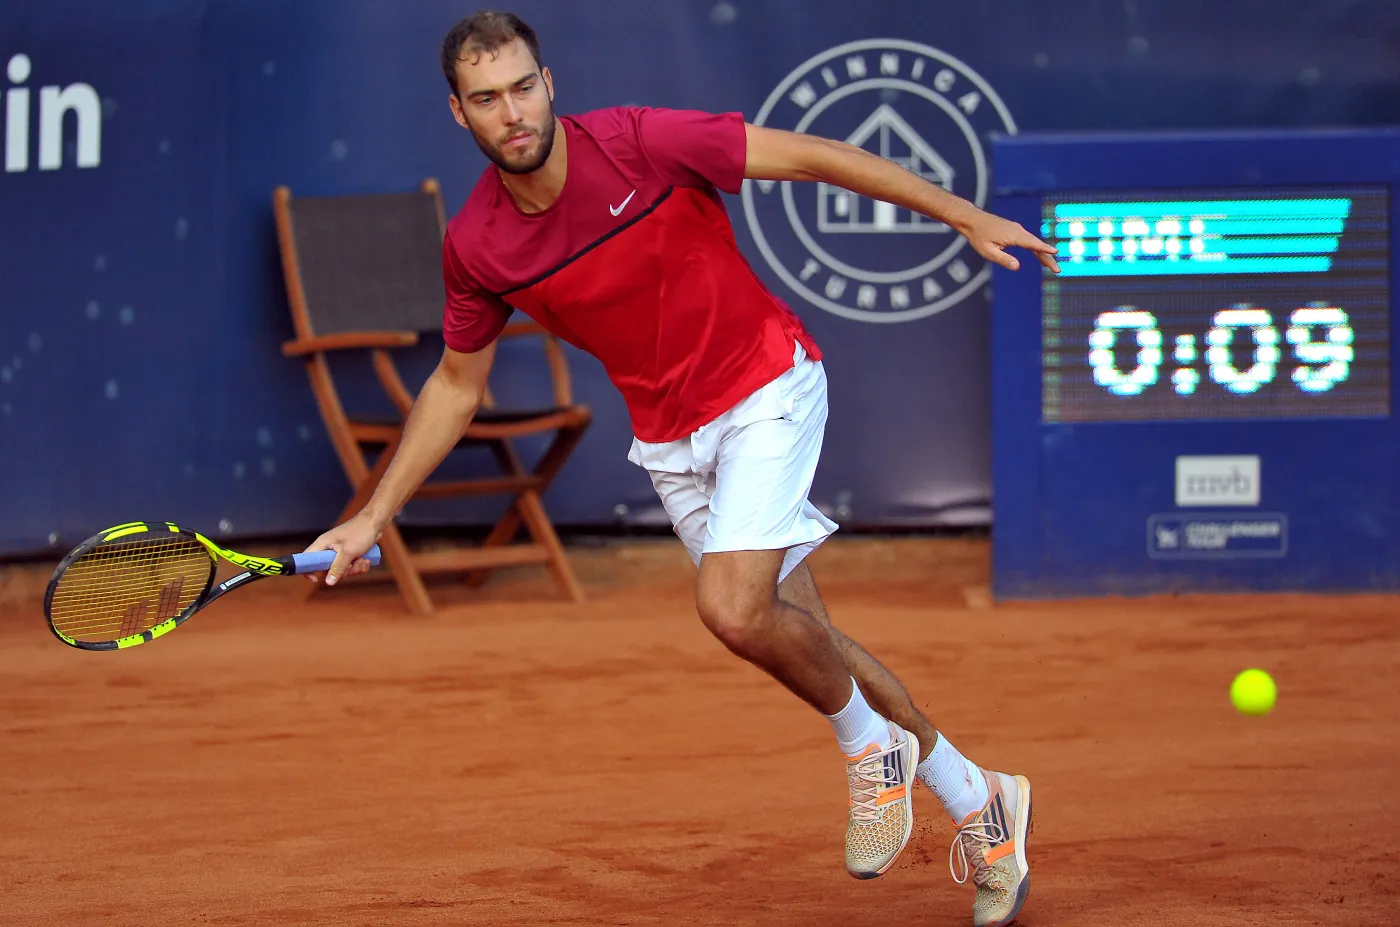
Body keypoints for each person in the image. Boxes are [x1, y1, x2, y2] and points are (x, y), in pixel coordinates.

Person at [305, 10, 1060, 926]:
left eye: (522, 87)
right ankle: (985, 805)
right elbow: (456, 385)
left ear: (551, 84)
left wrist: (964, 215)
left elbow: (815, 156)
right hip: (671, 439)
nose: (512, 113)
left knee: (731, 608)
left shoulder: (639, 143)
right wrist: (371, 515)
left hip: (766, 385)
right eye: (486, 99)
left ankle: (871, 749)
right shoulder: (477, 246)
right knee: (799, 633)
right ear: (458, 115)